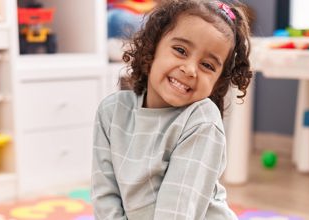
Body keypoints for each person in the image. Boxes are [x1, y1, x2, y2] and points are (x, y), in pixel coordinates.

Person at [92, 0, 252, 219]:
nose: (190, 69)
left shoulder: (202, 120)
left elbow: (176, 212)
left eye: (207, 65)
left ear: (218, 82)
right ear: (153, 46)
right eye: (180, 50)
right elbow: (105, 196)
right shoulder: (111, 112)